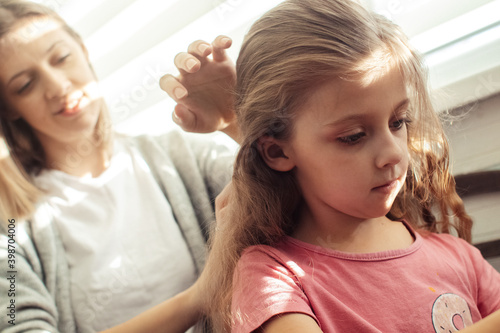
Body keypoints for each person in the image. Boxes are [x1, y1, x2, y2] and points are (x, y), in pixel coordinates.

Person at [177, 0, 500, 332]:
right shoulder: (273, 278)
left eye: (398, 121)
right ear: (276, 152)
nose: (392, 154)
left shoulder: (456, 256)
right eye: (354, 136)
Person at [0, 0, 237, 332]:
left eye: (61, 58)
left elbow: (296, 195)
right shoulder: (10, 227)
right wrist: (199, 297)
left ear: (83, 50)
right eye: (25, 85)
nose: (57, 86)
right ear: (9, 107)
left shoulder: (179, 156)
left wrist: (234, 121)